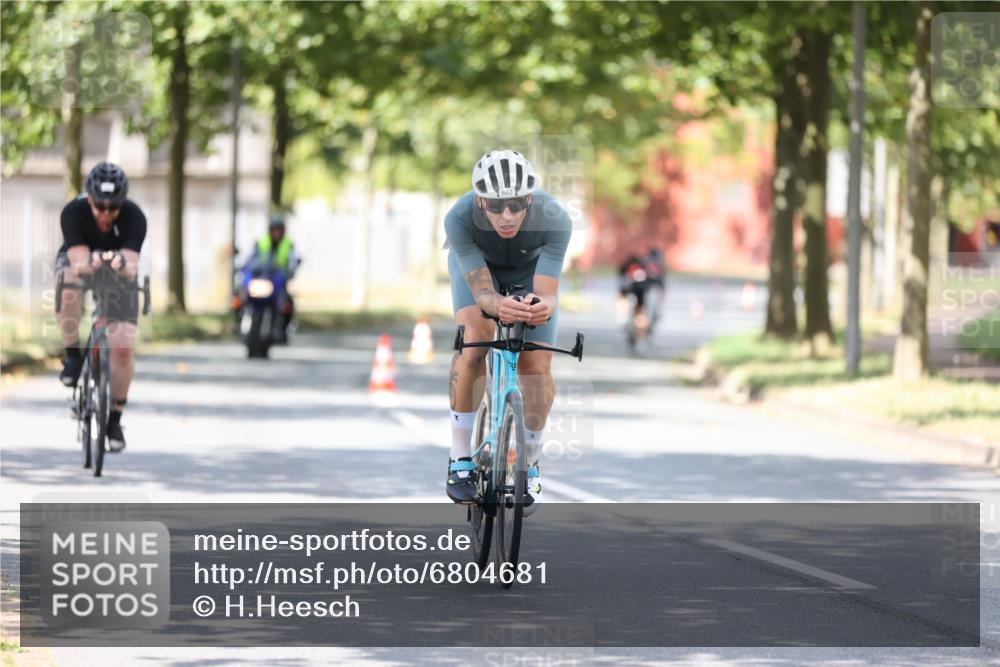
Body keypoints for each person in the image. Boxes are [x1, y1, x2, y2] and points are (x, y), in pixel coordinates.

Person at [444, 149, 572, 514]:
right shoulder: (458, 217)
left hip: (528, 274)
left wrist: (541, 307)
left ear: (530, 198)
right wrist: (496, 304)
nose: (507, 216)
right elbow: (483, 293)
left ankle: (529, 460)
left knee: (536, 365)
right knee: (473, 340)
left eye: (517, 205)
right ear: (480, 200)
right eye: (497, 206)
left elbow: (547, 293)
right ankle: (460, 458)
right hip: (478, 273)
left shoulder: (555, 219)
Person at [56, 162, 147, 452]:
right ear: (90, 199)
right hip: (79, 264)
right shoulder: (73, 213)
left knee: (122, 348)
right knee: (68, 285)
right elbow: (80, 262)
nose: (106, 213)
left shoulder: (134, 217)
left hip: (118, 277)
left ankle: (115, 419)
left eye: (113, 208)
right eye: (100, 206)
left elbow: (131, 266)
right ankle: (72, 356)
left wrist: (117, 263)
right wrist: (101, 260)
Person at [241, 213, 299, 342]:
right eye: (274, 230)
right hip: (261, 279)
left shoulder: (288, 245)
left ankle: (284, 328)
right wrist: (245, 268)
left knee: (288, 302)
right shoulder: (261, 242)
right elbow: (250, 258)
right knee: (239, 297)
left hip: (277, 281)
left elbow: (293, 261)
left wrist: (290, 271)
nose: (277, 233)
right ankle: (239, 322)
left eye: (279, 230)